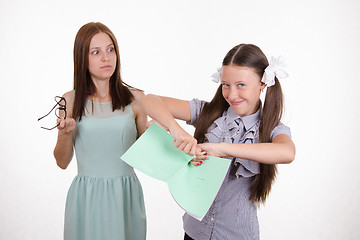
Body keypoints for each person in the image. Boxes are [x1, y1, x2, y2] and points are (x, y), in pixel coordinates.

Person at [140, 43, 295, 240]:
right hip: (194, 233)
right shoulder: (208, 113)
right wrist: (177, 131)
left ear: (262, 84)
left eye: (241, 85)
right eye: (226, 85)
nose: (231, 94)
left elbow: (287, 152)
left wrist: (223, 149)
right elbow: (149, 101)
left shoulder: (272, 129)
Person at [53, 22, 147, 240]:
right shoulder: (70, 101)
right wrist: (64, 133)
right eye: (96, 52)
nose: (106, 58)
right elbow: (62, 162)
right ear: (82, 58)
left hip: (126, 196)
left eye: (110, 49)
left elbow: (147, 156)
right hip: (86, 197)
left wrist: (160, 134)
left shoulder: (137, 99)